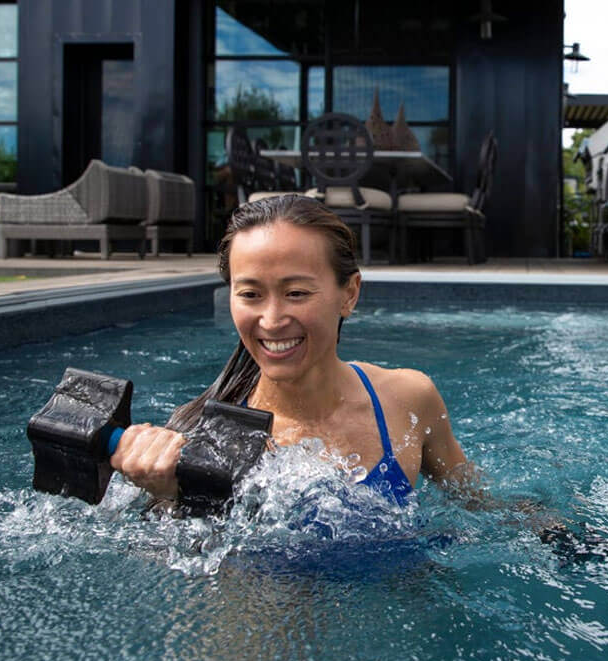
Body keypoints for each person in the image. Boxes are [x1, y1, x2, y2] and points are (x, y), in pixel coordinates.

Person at [109, 194, 475, 508]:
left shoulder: (408, 399)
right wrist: (179, 499)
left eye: (296, 293)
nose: (270, 320)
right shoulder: (206, 440)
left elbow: (480, 506)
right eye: (250, 294)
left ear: (349, 294)